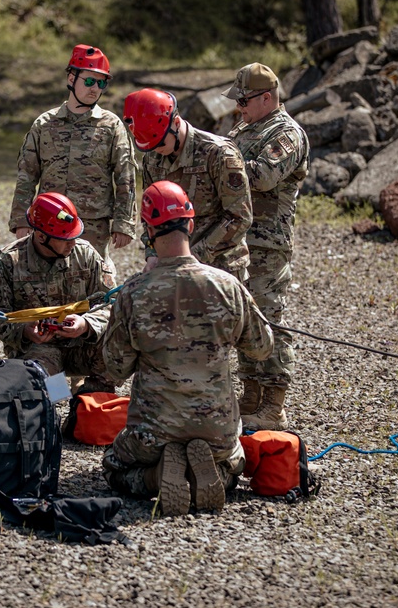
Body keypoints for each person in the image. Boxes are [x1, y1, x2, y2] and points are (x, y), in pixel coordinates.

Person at [101, 181, 273, 516]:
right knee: (233, 468)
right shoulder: (227, 285)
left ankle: (155, 477)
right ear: (190, 225)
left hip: (152, 432)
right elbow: (262, 348)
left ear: (147, 233)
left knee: (113, 468)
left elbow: (115, 367)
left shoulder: (135, 292)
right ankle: (209, 477)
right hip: (217, 430)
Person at [223, 63, 310, 432]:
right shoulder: (246, 127)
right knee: (243, 318)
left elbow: (262, 175)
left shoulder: (286, 132)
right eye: (237, 101)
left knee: (269, 319)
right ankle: (252, 393)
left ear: (266, 98)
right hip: (240, 238)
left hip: (268, 243)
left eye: (244, 100)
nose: (239, 107)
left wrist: (224, 161)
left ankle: (274, 404)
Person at [8, 44, 137, 268]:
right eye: (89, 81)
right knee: (45, 282)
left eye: (101, 82)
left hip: (93, 227)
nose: (95, 88)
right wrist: (21, 219)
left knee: (93, 284)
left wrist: (123, 223)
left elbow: (125, 176)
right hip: (48, 223)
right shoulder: (44, 124)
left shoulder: (111, 126)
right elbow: (27, 175)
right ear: (71, 79)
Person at [0, 192, 119, 394]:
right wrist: (25, 331)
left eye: (74, 236)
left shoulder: (85, 253)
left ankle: (87, 406)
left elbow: (111, 303)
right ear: (41, 236)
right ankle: (52, 407)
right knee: (46, 390)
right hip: (38, 349)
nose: (72, 244)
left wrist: (86, 324)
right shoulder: (9, 261)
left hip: (81, 343)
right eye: (65, 239)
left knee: (117, 350)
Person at [122, 88, 252, 280]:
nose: (156, 151)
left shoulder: (218, 154)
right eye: (150, 146)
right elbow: (151, 216)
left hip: (221, 269)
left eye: (159, 143)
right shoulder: (152, 159)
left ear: (175, 123)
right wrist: (152, 254)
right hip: (174, 269)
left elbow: (239, 217)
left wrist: (192, 257)